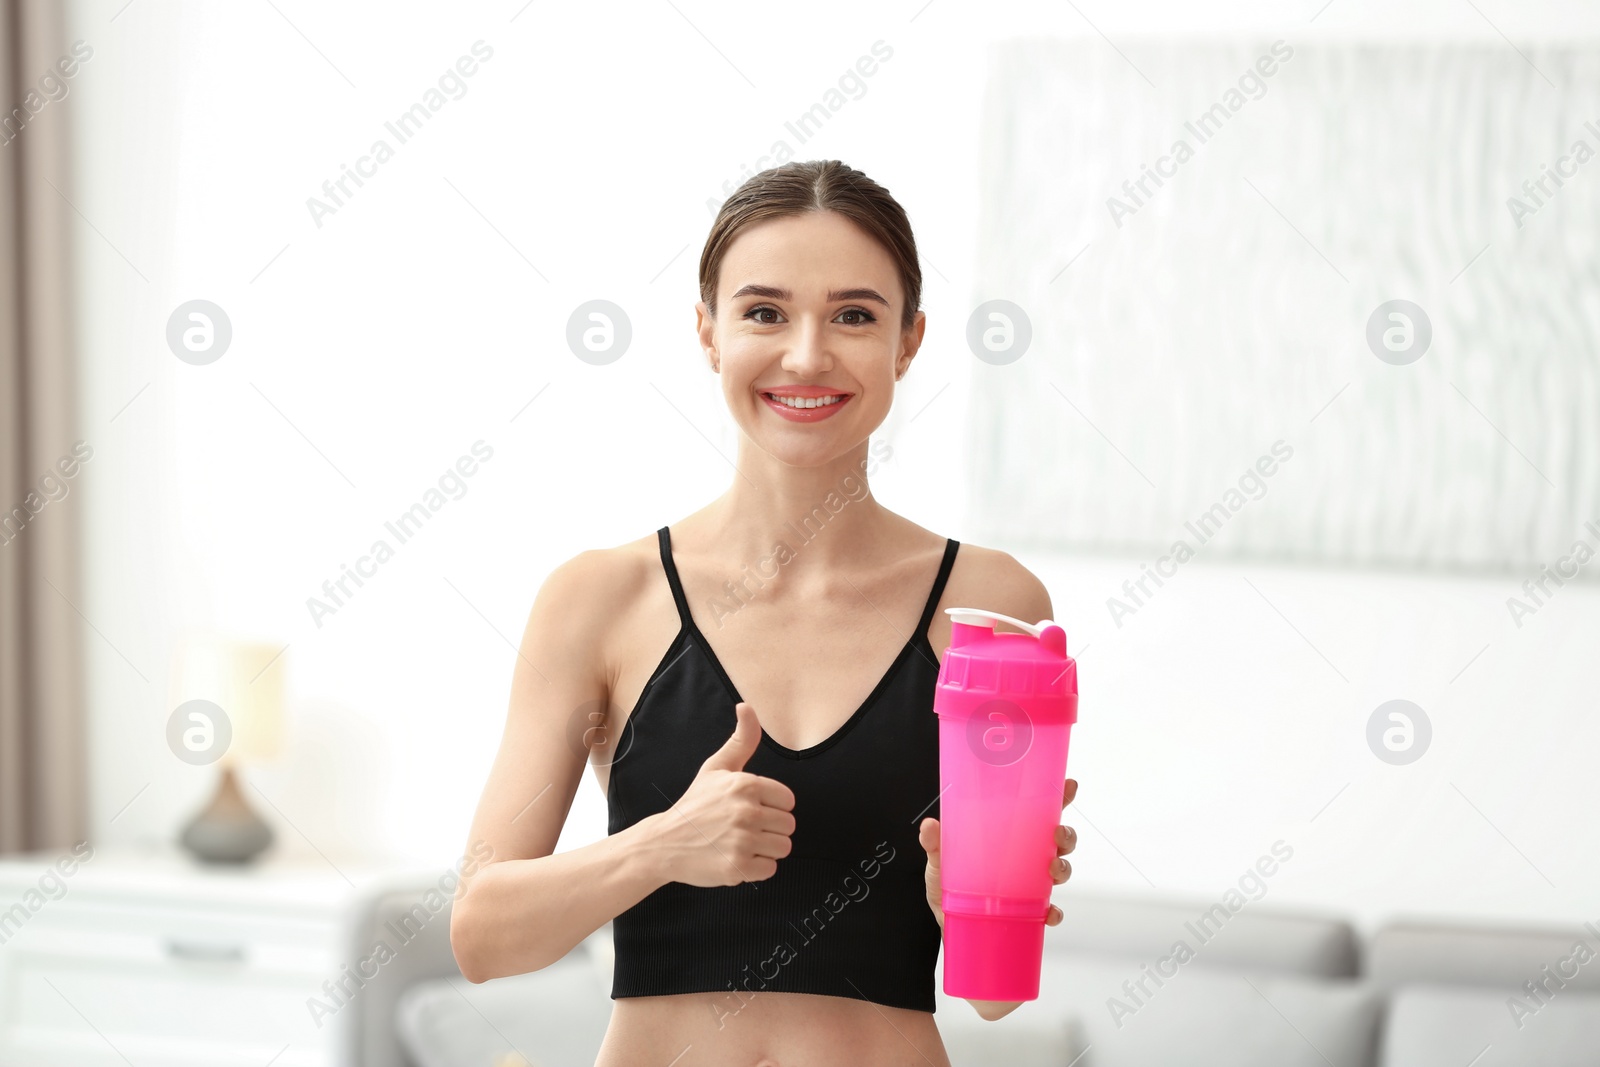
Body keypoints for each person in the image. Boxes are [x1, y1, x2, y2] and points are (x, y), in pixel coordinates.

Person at [449, 159, 1078, 1067]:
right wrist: (665, 842)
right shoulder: (600, 598)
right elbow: (482, 935)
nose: (808, 355)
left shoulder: (990, 606)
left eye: (855, 315)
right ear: (707, 332)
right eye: (764, 312)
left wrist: (968, 902)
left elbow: (990, 998)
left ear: (910, 341)